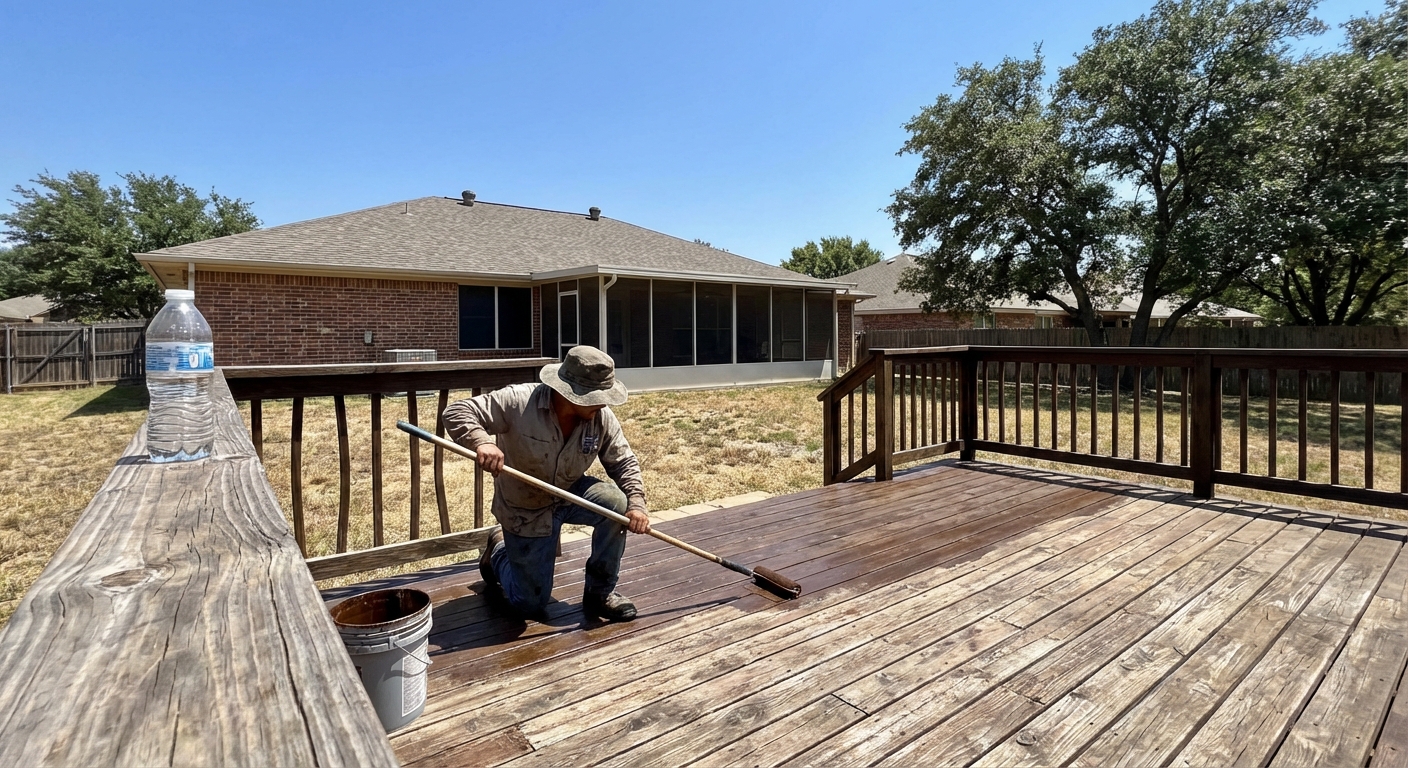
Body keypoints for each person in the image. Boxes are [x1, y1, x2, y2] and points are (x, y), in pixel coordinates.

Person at [441, 345, 651, 622]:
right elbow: (457, 411)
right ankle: (498, 551)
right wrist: (482, 442)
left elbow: (623, 461)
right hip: (526, 506)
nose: (603, 403)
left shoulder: (601, 417)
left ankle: (600, 592)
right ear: (570, 392)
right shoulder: (518, 401)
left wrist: (636, 503)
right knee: (529, 604)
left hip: (570, 491)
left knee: (616, 505)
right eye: (596, 397)